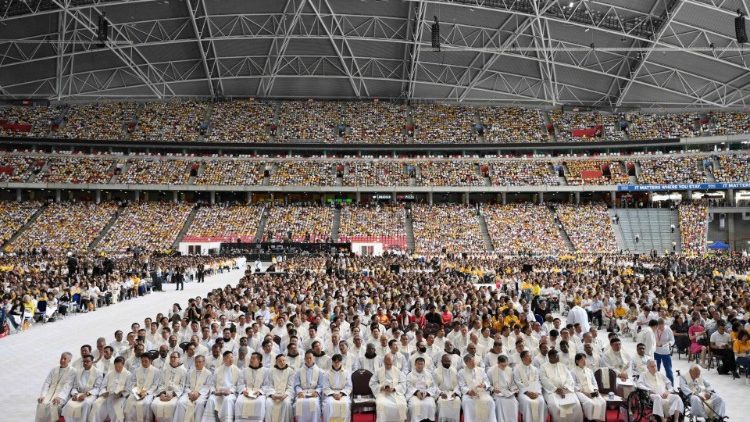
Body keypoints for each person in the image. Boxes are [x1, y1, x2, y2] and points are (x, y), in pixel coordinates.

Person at [540, 349, 582, 422]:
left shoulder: (562, 365)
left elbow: (570, 378)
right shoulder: (543, 367)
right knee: (556, 406)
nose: (559, 358)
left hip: (566, 390)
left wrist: (565, 388)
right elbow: (544, 380)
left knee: (576, 405)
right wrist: (556, 389)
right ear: (550, 357)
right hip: (552, 391)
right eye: (557, 356)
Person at [61, 354, 102, 422]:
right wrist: (74, 394)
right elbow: (75, 386)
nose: (85, 363)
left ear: (92, 362)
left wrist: (86, 394)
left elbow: (97, 388)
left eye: (87, 361)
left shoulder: (98, 373)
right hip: (78, 394)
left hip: (90, 395)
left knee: (86, 403)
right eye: (84, 361)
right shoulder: (78, 372)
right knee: (69, 404)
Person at [36, 352, 75, 422]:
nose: (62, 360)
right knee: (41, 404)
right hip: (50, 393)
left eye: (65, 359)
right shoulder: (54, 369)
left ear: (69, 361)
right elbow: (47, 382)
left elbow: (68, 386)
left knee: (53, 406)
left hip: (62, 395)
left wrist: (59, 397)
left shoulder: (72, 371)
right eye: (61, 358)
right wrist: (43, 395)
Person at [90, 356, 131, 422]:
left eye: (120, 367)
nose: (117, 368)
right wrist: (104, 392)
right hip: (108, 395)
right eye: (116, 366)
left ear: (123, 365)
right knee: (96, 404)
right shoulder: (109, 373)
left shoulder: (128, 374)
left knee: (117, 407)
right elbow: (103, 386)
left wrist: (121, 394)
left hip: (120, 397)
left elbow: (129, 389)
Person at [369, 353, 408, 422]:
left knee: (402, 404)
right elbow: (372, 383)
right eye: (387, 364)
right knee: (381, 405)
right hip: (383, 393)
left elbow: (403, 383)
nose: (389, 366)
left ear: (393, 362)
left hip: (395, 394)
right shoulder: (379, 371)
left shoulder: (397, 371)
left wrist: (395, 388)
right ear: (384, 362)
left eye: (390, 364)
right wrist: (381, 387)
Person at [203, 351, 240, 422]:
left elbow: (238, 385)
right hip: (218, 393)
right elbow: (212, 384)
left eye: (232, 357)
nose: (231, 359)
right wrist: (214, 391)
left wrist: (230, 391)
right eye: (228, 357)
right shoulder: (218, 370)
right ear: (224, 359)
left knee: (227, 400)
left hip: (230, 393)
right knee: (211, 400)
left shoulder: (237, 370)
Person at [459, 353, 496, 422]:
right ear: (466, 363)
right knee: (468, 403)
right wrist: (469, 391)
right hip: (469, 394)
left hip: (481, 393)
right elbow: (462, 386)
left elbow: (487, 382)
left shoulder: (481, 370)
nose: (474, 363)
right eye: (471, 361)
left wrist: (484, 385)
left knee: (490, 402)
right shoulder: (461, 372)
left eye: (474, 360)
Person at [174, 355, 212, 422]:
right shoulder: (190, 372)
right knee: (181, 402)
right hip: (189, 393)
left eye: (199, 362)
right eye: (196, 362)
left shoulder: (208, 373)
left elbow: (207, 386)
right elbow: (186, 385)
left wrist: (198, 393)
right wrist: (190, 393)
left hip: (201, 394)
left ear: (203, 362)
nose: (197, 364)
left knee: (199, 403)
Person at [150, 351, 186, 421]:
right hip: (164, 392)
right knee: (154, 404)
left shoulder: (183, 370)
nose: (173, 359)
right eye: (171, 357)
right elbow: (161, 383)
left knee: (172, 405)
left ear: (179, 359)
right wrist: (162, 394)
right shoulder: (165, 369)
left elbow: (182, 386)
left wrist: (172, 394)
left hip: (175, 394)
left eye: (175, 357)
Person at [124, 354, 161, 422]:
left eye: (146, 361)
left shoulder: (156, 371)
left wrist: (145, 393)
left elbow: (155, 385)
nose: (143, 363)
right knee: (129, 402)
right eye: (142, 361)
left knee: (145, 403)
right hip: (137, 392)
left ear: (150, 361)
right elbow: (132, 382)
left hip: (148, 393)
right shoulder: (136, 370)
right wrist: (136, 391)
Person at [570, 353, 606, 422]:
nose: (585, 361)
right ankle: (589, 419)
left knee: (602, 401)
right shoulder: (573, 371)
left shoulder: (589, 370)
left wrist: (596, 390)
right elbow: (573, 385)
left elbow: (594, 382)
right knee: (590, 403)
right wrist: (585, 393)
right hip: (580, 392)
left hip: (592, 390)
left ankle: (598, 419)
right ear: (577, 361)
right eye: (582, 360)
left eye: (585, 359)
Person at [513, 350, 546, 422]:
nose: (530, 358)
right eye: (528, 356)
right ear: (522, 358)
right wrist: (527, 392)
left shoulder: (535, 369)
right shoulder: (517, 369)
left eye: (531, 356)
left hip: (535, 391)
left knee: (541, 401)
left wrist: (537, 392)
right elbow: (517, 382)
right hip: (523, 393)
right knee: (528, 402)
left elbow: (537, 382)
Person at [235, 352, 267, 422]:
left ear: (259, 360)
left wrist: (260, 392)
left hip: (258, 393)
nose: (251, 360)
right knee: (239, 402)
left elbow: (267, 385)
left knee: (260, 402)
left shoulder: (265, 371)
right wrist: (243, 390)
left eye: (253, 358)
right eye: (251, 358)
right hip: (246, 392)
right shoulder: (244, 370)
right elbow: (240, 384)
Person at [293, 350, 324, 422]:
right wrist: (299, 392)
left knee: (315, 404)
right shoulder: (299, 371)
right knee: (299, 403)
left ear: (313, 358)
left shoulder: (319, 371)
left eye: (310, 358)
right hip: (302, 393)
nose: (308, 360)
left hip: (314, 393)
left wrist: (317, 392)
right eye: (307, 358)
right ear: (304, 359)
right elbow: (296, 384)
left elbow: (321, 385)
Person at [487, 354, 518, 422]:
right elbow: (488, 384)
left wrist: (514, 389)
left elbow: (512, 383)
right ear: (498, 363)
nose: (505, 367)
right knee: (500, 402)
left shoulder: (509, 370)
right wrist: (493, 389)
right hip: (497, 393)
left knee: (514, 401)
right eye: (503, 365)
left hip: (508, 392)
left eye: (506, 365)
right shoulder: (491, 371)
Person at [322, 353, 352, 422]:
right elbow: (325, 387)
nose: (336, 364)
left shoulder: (346, 373)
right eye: (335, 362)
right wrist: (333, 394)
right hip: (331, 394)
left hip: (343, 394)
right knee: (328, 404)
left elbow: (349, 386)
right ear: (332, 362)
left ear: (341, 362)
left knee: (345, 404)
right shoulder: (327, 374)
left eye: (338, 362)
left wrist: (341, 394)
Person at [265, 354, 295, 422]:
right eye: (280, 361)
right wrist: (272, 395)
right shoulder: (271, 371)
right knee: (268, 403)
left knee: (286, 403)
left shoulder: (290, 371)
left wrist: (285, 395)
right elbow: (269, 385)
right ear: (276, 362)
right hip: (274, 394)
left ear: (286, 361)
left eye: (283, 360)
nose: (282, 362)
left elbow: (291, 386)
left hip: (285, 394)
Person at [406, 356, 436, 422]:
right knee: (414, 405)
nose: (420, 366)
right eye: (418, 364)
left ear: (424, 365)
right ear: (415, 364)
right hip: (414, 395)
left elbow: (433, 386)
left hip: (426, 394)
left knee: (430, 404)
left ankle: (428, 420)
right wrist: (416, 392)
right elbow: (408, 386)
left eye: (421, 364)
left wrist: (427, 393)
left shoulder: (429, 374)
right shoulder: (410, 375)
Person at [433, 353, 462, 422]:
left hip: (452, 393)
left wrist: (455, 393)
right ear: (441, 361)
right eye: (445, 361)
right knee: (442, 402)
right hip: (442, 393)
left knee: (457, 401)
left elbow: (458, 385)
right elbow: (434, 385)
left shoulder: (454, 370)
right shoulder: (436, 371)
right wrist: (440, 393)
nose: (447, 363)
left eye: (449, 361)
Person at [654, 318, 675, 384]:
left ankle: (671, 385)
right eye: (659, 327)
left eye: (662, 327)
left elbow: (672, 340)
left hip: (665, 352)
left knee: (668, 370)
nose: (660, 328)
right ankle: (656, 384)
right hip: (656, 352)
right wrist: (655, 343)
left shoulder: (668, 329)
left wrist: (669, 344)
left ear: (664, 325)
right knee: (656, 370)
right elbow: (651, 339)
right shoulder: (654, 330)